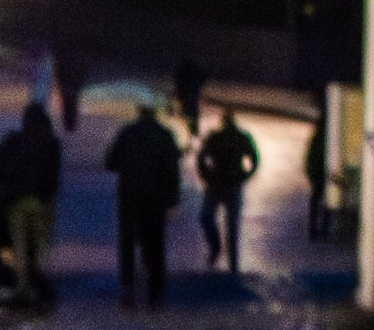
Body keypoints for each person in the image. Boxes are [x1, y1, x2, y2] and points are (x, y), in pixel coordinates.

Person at [106, 89, 184, 306]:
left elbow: (111, 162)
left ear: (139, 112)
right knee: (155, 243)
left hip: (130, 197)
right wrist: (172, 199)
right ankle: (155, 290)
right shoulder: (165, 136)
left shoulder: (127, 133)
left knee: (128, 243)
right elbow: (172, 172)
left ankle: (128, 287)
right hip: (155, 199)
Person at [0, 95, 60, 310]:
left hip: (17, 201)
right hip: (41, 202)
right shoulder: (50, 144)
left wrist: (6, 184)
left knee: (19, 246)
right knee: (38, 246)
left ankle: (22, 287)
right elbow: (53, 174)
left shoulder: (15, 141)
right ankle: (33, 283)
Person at [195, 106, 260, 275]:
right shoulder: (241, 137)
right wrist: (244, 176)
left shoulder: (217, 137)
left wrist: (207, 175)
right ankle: (233, 264)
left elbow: (201, 158)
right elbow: (254, 159)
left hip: (217, 184)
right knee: (231, 225)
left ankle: (218, 249)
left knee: (208, 217)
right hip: (231, 184)